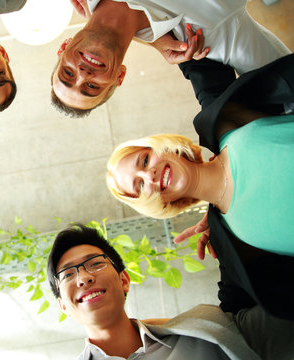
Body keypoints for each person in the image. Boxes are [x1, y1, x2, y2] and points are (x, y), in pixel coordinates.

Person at [106, 53, 294, 320]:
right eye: (139, 185)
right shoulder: (228, 241)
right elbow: (231, 316)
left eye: (145, 160)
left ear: (161, 146)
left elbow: (193, 54)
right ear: (153, 203)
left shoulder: (221, 120)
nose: (150, 175)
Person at [47, 224, 294, 359]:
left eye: (95, 263)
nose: (84, 277)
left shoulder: (207, 329)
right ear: (63, 306)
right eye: (68, 274)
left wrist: (226, 229)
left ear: (124, 280)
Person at [51, 0, 291, 117]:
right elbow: (286, 85)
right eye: (92, 87)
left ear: (64, 47)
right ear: (120, 76)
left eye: (68, 74)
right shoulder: (204, 34)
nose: (83, 74)